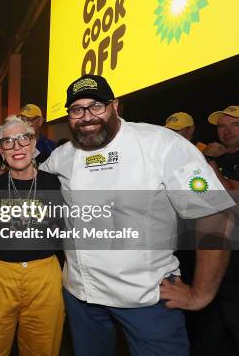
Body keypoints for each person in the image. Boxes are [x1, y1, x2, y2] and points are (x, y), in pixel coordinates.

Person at [40, 74, 235, 356]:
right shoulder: (64, 156)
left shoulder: (162, 144)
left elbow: (216, 215)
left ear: (115, 106)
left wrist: (200, 294)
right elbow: (32, 183)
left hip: (147, 299)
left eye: (96, 105)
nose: (87, 117)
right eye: (77, 109)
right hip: (81, 296)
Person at [0, 115, 65, 356]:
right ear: (0, 150)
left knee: (42, 348)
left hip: (45, 278)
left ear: (34, 143)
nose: (17, 147)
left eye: (24, 139)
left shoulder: (56, 185)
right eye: (8, 142)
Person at [185, 105, 239, 355]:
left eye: (234, 124)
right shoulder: (213, 155)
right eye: (222, 125)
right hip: (210, 256)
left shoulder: (212, 159)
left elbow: (230, 196)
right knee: (208, 333)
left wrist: (209, 163)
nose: (226, 131)